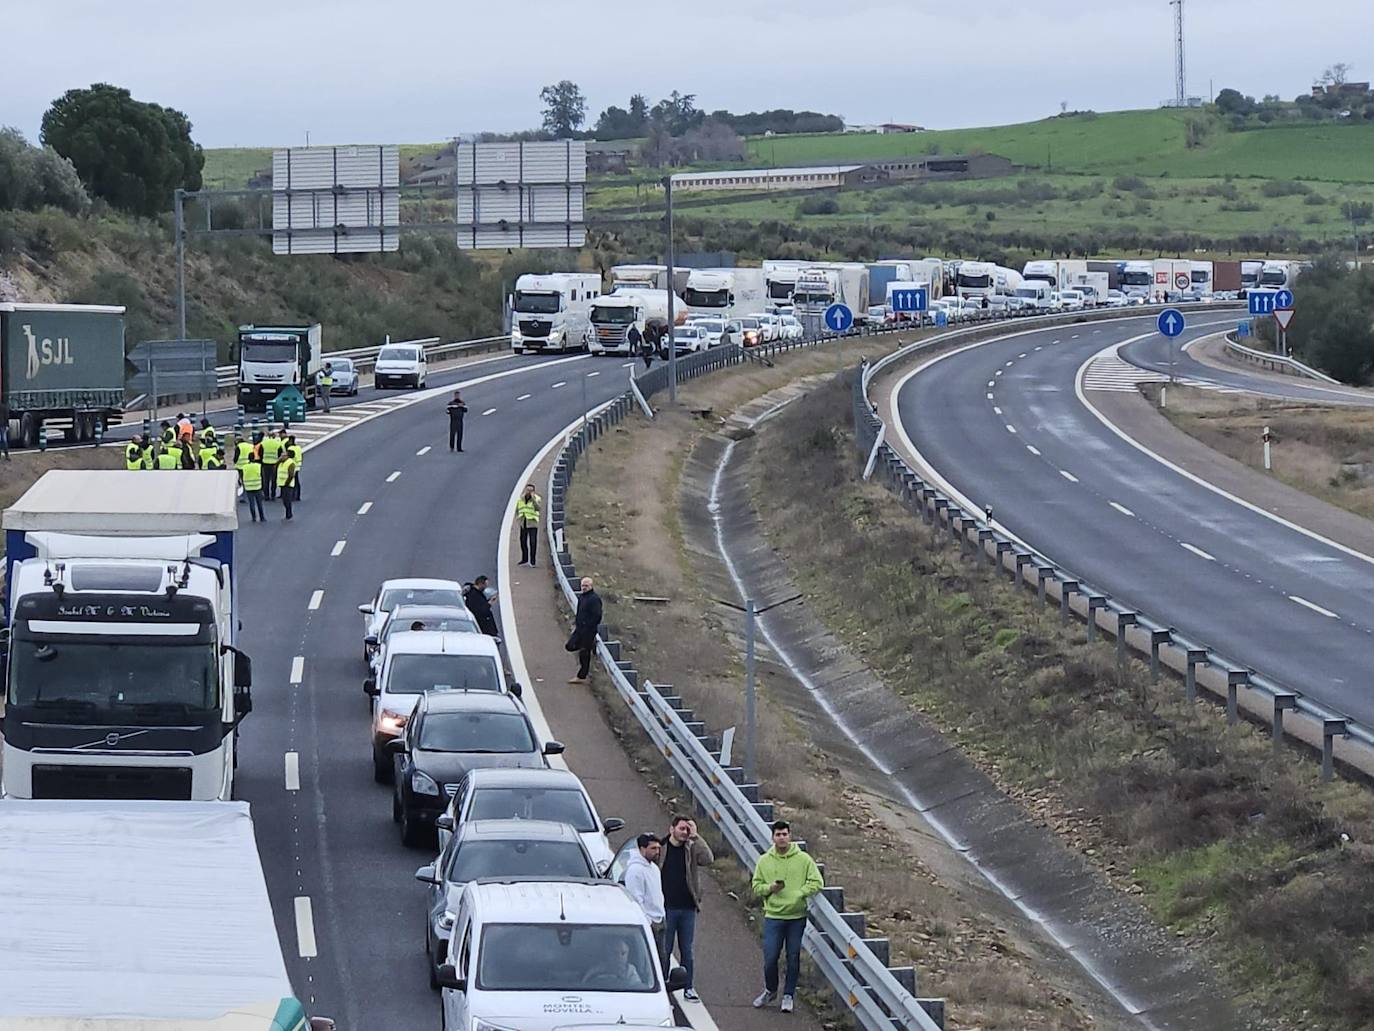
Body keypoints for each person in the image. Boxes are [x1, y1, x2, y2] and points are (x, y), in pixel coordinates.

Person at [751, 821, 824, 1013]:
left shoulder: (803, 859)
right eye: (778, 834)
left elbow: (817, 882)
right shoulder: (765, 860)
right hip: (773, 916)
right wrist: (770, 888)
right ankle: (770, 990)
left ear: (790, 836)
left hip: (796, 917)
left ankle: (788, 995)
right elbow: (756, 886)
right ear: (773, 837)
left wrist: (800, 893)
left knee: (793, 956)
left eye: (784, 834)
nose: (781, 838)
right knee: (770, 957)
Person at [656, 815, 714, 1000]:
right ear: (671, 828)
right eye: (682, 829)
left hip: (687, 907)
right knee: (664, 948)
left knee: (687, 949)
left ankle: (688, 986)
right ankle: (662, 983)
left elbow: (708, 859)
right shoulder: (661, 847)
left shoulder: (691, 848)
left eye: (687, 829)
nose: (684, 833)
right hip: (666, 907)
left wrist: (696, 837)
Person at [623, 833, 665, 956]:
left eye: (658, 848)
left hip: (660, 920)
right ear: (642, 849)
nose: (657, 852)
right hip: (649, 923)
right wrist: (647, 921)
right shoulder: (635, 871)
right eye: (653, 848)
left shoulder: (654, 868)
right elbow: (636, 899)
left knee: (662, 959)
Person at [567, 576, 602, 684]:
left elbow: (597, 616)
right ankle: (590, 646)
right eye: (583, 585)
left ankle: (582, 676)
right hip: (580, 629)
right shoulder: (582, 597)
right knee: (569, 646)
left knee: (584, 653)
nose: (584, 587)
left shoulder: (594, 599)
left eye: (586, 586)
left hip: (588, 631)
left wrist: (588, 626)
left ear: (591, 586)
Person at [516, 484, 541, 567]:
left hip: (532, 523)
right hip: (523, 522)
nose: (529, 492)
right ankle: (524, 559)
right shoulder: (521, 499)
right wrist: (518, 519)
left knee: (532, 542)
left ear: (533, 491)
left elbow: (538, 508)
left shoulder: (537, 499)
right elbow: (518, 509)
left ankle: (533, 561)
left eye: (531, 490)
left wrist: (533, 499)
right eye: (528, 490)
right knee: (523, 541)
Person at [241, 450, 266, 522]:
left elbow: (242, 476)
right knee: (259, 503)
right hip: (257, 487)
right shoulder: (258, 466)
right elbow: (262, 476)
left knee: (251, 504)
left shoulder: (244, 467)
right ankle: (262, 517)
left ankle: (254, 517)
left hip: (248, 487)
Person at [260, 429, 284, 500]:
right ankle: (273, 494)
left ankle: (266, 495)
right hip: (274, 464)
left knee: (266, 480)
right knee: (274, 480)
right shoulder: (277, 443)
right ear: (274, 436)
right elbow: (280, 453)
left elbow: (260, 453)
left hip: (265, 463)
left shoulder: (264, 443)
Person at [277, 447, 299, 520]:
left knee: (287, 500)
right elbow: (275, 467)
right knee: (284, 500)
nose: (281, 456)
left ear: (287, 456)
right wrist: (279, 460)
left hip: (288, 485)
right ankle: (288, 513)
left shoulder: (290, 463)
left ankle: (289, 514)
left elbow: (291, 475)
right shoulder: (281, 462)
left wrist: (287, 483)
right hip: (282, 484)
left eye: (283, 455)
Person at [284, 435, 302, 501]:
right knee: (297, 481)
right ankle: (297, 496)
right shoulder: (298, 448)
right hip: (298, 466)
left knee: (292, 482)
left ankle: (293, 495)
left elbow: (288, 457)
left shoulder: (290, 448)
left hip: (292, 466)